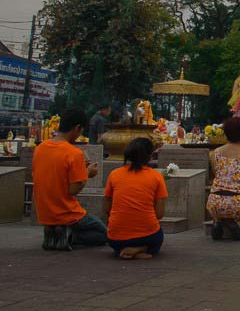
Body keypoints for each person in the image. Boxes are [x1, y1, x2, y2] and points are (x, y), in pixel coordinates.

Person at [33, 107, 107, 250]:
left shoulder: (40, 148)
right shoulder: (74, 153)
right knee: (104, 234)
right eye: (80, 131)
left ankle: (54, 231)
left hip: (45, 213)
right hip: (67, 212)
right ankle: (70, 235)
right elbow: (73, 189)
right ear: (77, 128)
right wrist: (87, 173)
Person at [103, 138, 167, 259]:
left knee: (116, 240)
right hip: (147, 236)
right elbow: (159, 214)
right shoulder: (156, 177)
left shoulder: (114, 174)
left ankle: (123, 250)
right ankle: (140, 249)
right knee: (157, 240)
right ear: (149, 156)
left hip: (115, 239)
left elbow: (106, 207)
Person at [206, 117, 240, 240]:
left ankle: (217, 221)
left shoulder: (215, 153)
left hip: (214, 203)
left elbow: (217, 174)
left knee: (220, 209)